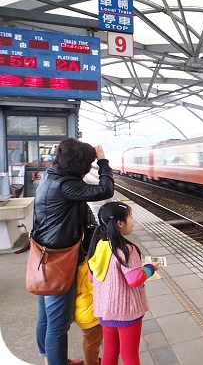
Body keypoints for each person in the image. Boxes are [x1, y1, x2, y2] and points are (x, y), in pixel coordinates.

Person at [32, 138, 115, 365]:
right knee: (58, 323)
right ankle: (56, 361)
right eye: (89, 163)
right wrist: (104, 161)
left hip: (45, 257)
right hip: (59, 261)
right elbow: (105, 190)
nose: (91, 167)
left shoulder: (52, 176)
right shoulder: (66, 185)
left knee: (47, 316)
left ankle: (49, 357)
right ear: (79, 164)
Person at [87, 202, 160, 365]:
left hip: (106, 311)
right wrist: (150, 268)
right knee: (130, 356)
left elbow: (92, 278)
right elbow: (134, 280)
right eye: (131, 218)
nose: (133, 222)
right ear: (120, 223)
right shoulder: (127, 250)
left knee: (110, 353)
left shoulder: (99, 246)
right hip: (127, 313)